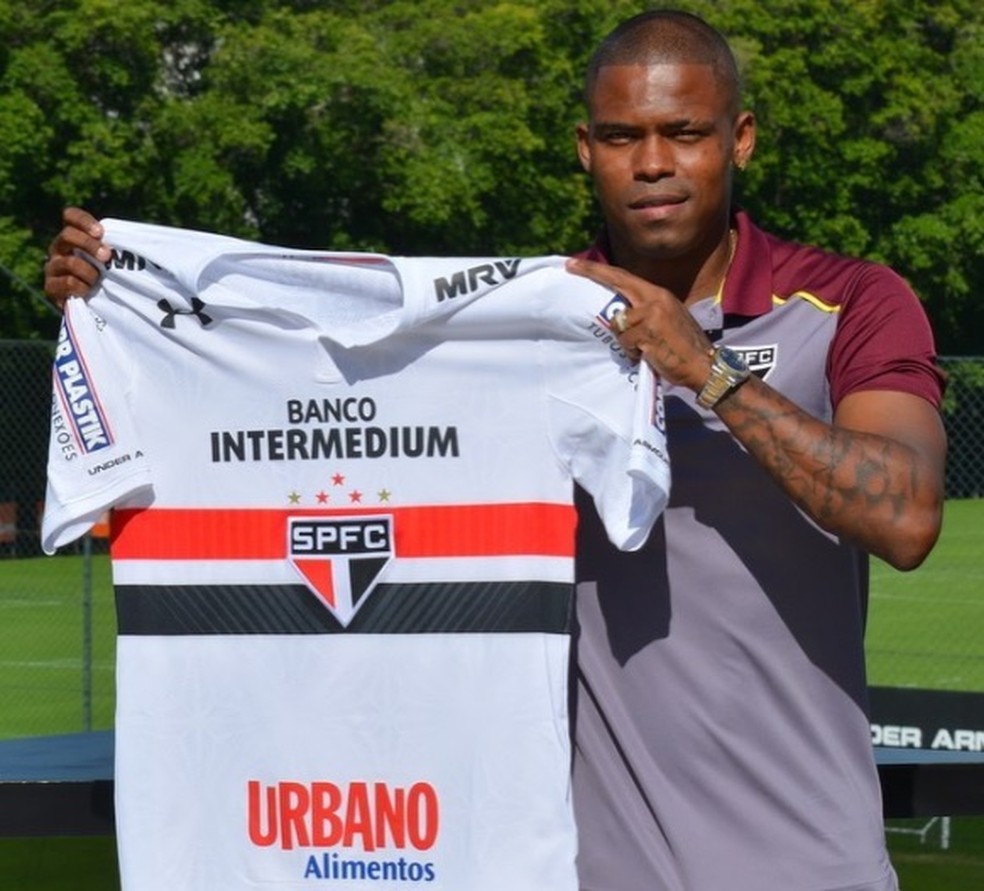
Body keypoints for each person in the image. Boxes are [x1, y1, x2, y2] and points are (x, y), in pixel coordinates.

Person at [43, 10, 947, 891]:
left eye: (685, 133)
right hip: (585, 869)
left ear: (739, 139)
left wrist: (705, 371)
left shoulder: (847, 303)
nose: (653, 163)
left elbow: (906, 517)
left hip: (806, 859)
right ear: (585, 148)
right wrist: (129, 313)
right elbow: (313, 389)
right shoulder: (528, 327)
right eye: (622, 136)